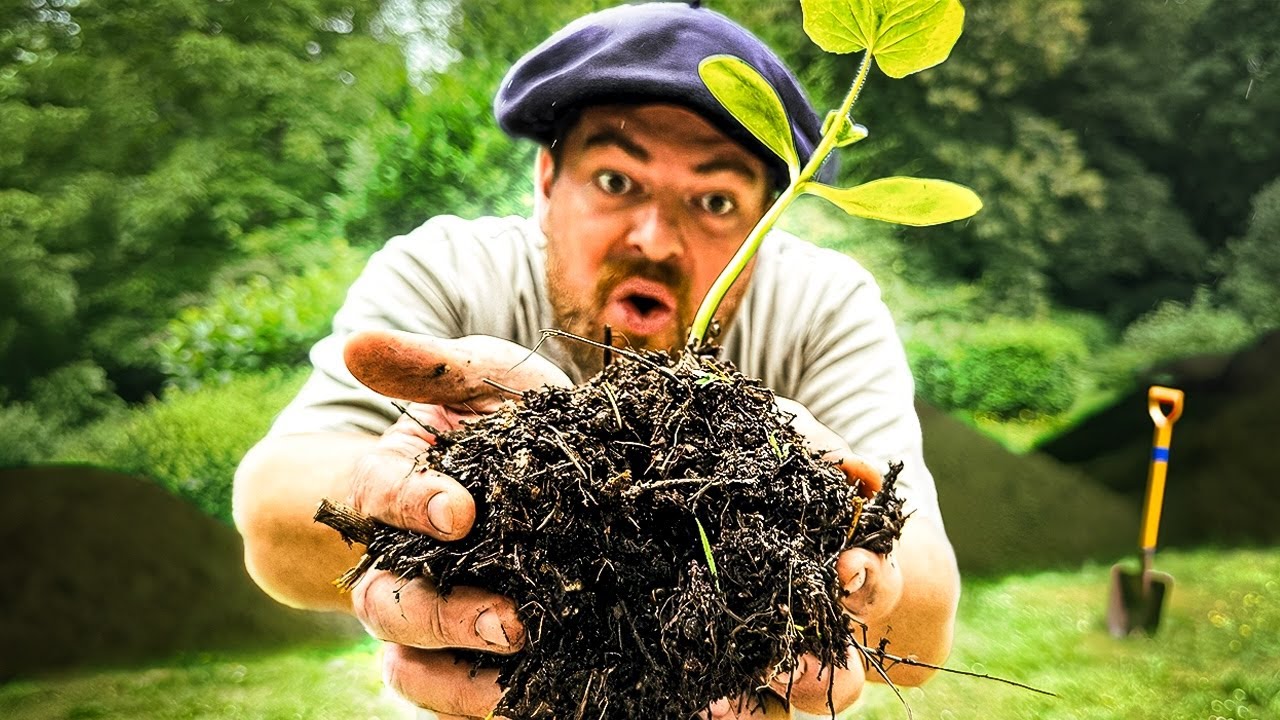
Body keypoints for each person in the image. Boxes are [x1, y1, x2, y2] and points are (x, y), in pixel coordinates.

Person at [233, 2, 960, 718]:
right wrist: (449, 509)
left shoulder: (824, 304)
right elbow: (272, 517)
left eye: (714, 199)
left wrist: (842, 544)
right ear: (547, 182)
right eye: (616, 181)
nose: (655, 239)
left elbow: (925, 622)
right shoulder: (449, 267)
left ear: (770, 215)